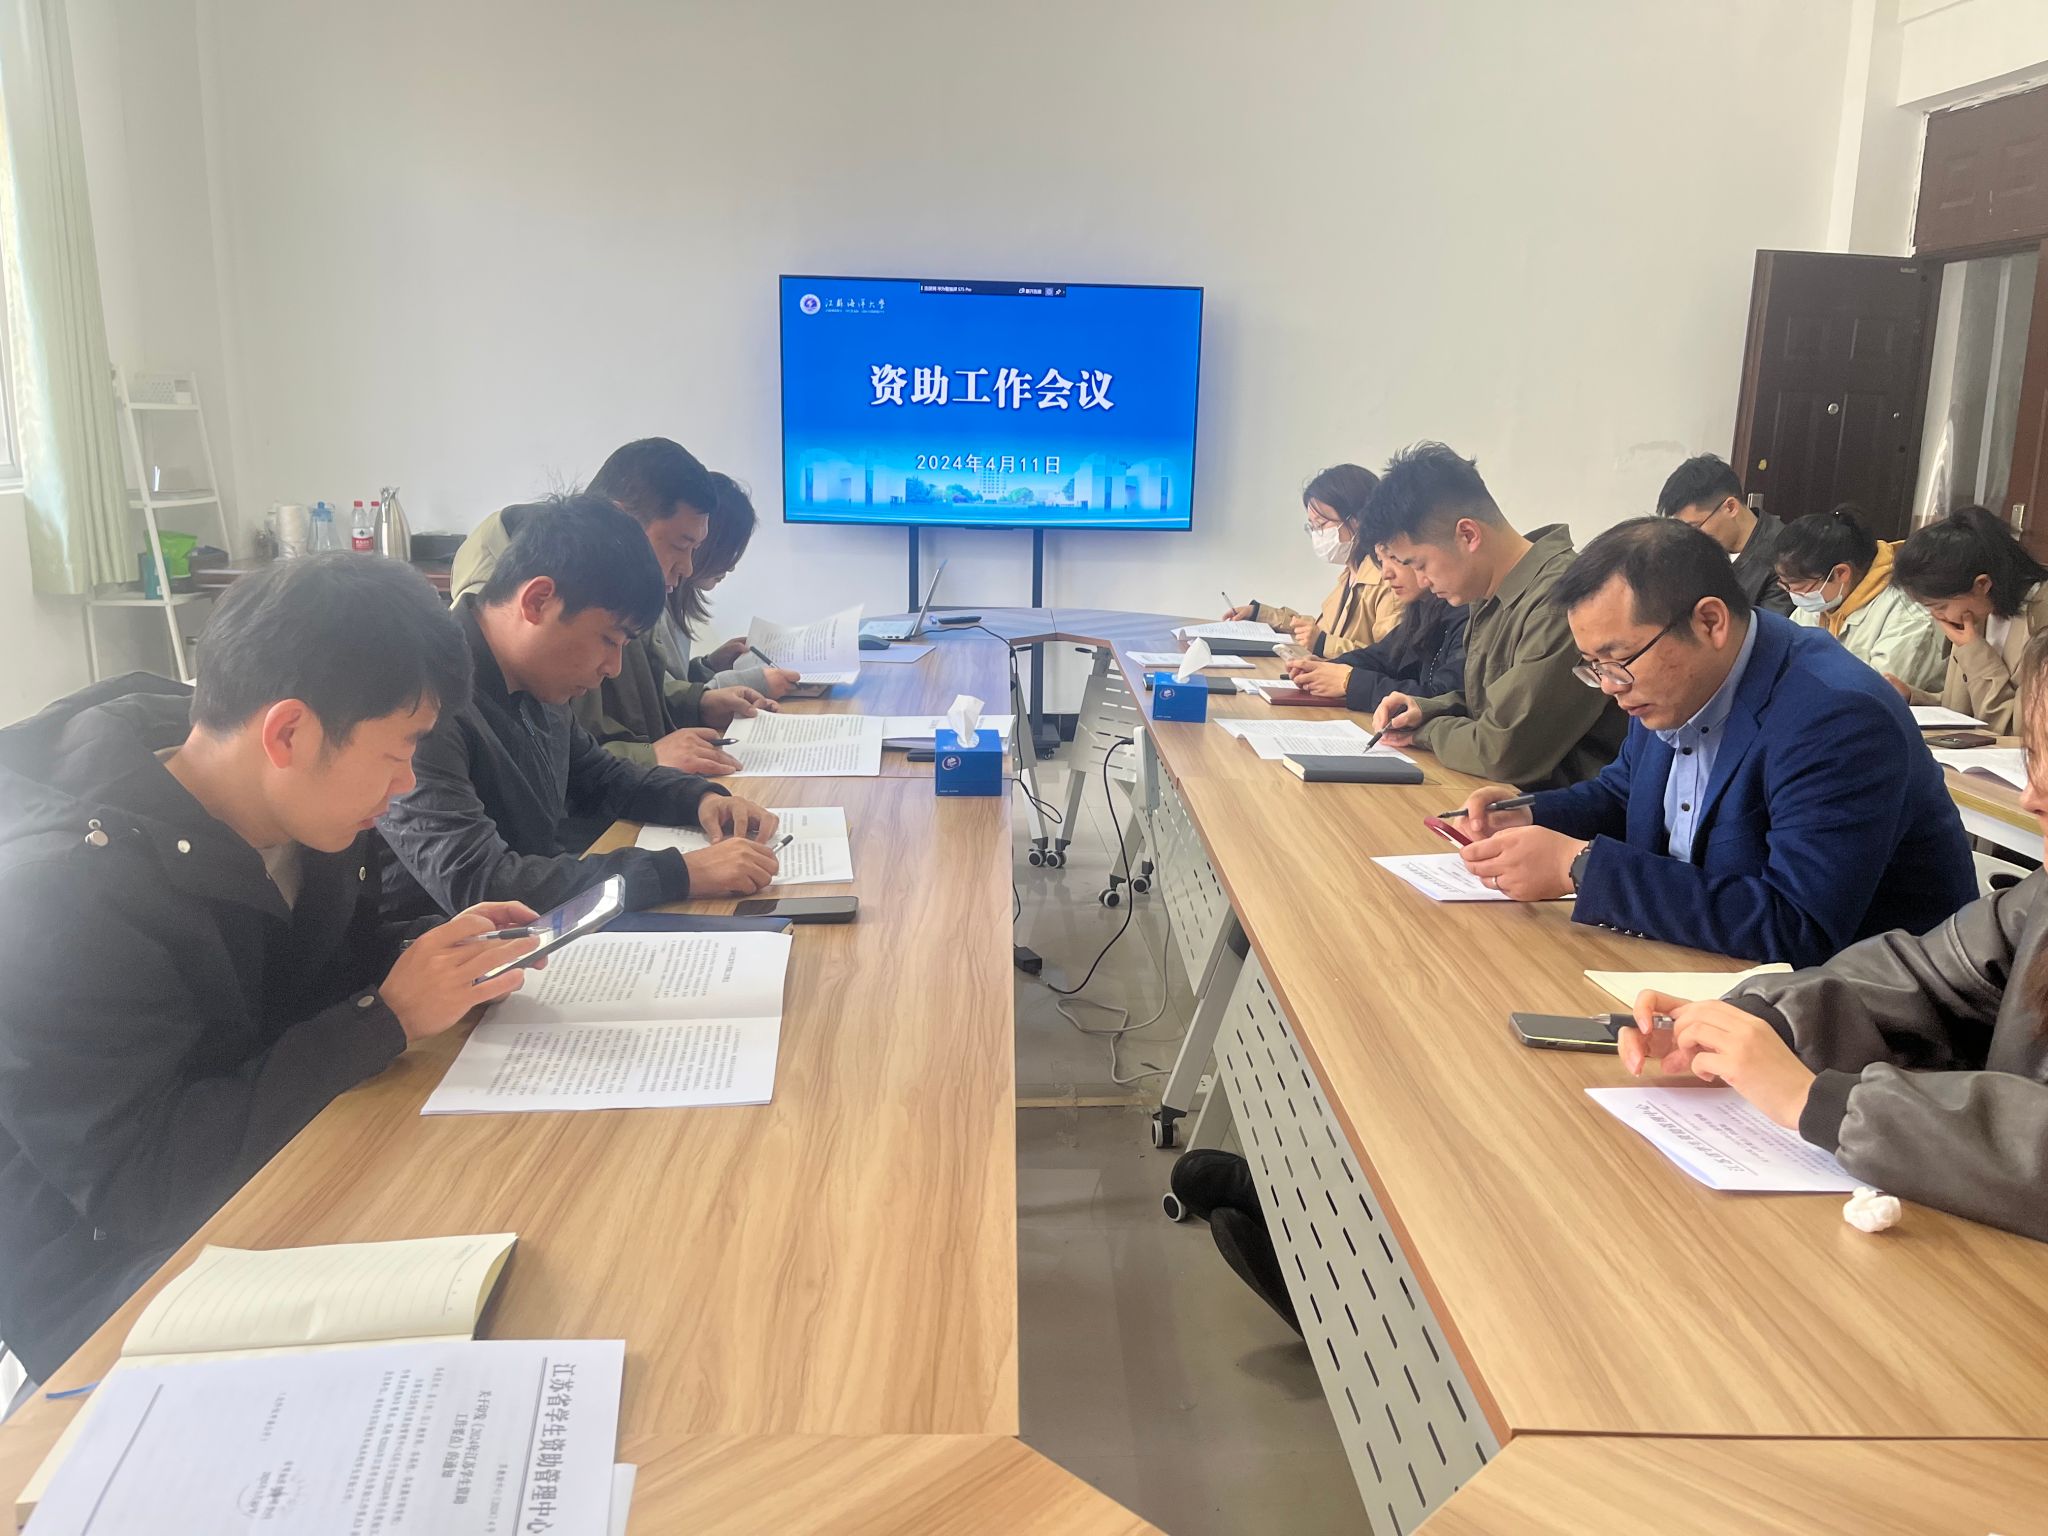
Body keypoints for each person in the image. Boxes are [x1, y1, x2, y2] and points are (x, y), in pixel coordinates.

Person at [0, 556, 550, 1383]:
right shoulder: (61, 894)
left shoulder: (305, 814)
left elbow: (321, 968)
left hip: (279, 1157)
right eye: (399, 751)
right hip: (115, 1279)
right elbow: (142, 1184)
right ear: (288, 733)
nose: (407, 784)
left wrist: (435, 955)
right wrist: (385, 1019)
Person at [1616, 625, 2048, 1245]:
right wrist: (1761, 1020)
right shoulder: (2039, 899)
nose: (2031, 796)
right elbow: (1926, 974)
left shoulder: (1836, 707)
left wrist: (1817, 1102)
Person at [1455, 519, 1976, 966]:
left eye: (1618, 660)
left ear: (1710, 621)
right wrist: (1528, 813)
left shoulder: (1836, 717)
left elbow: (1799, 927)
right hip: (1699, 964)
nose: (1610, 686)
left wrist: (1578, 867)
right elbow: (1623, 793)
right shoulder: (1667, 681)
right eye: (1595, 666)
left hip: (1861, 1013)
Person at [379, 495, 782, 923]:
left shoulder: (535, 681)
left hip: (543, 931)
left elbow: (601, 777)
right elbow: (482, 883)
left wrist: (699, 799)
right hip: (451, 946)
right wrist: (679, 873)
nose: (613, 667)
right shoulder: (421, 701)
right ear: (538, 601)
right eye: (609, 640)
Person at [451, 438, 786, 775]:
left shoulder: (616, 581)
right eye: (679, 545)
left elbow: (631, 698)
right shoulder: (520, 618)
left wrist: (698, 702)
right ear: (622, 518)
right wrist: (650, 757)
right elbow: (559, 761)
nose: (687, 569)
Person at [1362, 441, 1625, 787]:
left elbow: (1503, 752)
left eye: (1420, 564)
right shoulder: (1490, 596)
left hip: (1553, 807)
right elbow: (1489, 703)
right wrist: (1425, 708)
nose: (1422, 581)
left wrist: (1426, 730)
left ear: (1467, 534)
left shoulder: (1559, 600)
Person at [1892, 504, 2048, 733]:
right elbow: (1964, 710)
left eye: (1941, 606)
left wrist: (1974, 651)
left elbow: (2020, 730)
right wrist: (1911, 697)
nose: (1937, 616)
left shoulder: (2040, 621)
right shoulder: (1979, 610)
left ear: (1982, 584)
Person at [1221, 464, 1404, 654]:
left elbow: (1387, 659)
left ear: (1358, 520)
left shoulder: (1388, 580)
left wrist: (1322, 643)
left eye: (1321, 524)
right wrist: (1258, 613)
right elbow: (1319, 630)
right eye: (1313, 527)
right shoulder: (1350, 574)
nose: (1317, 534)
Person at [1774, 504, 1946, 694]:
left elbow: (1878, 692)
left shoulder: (1907, 611)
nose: (1793, 594)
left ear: (1841, 573)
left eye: (1798, 587)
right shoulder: (1821, 600)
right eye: (1785, 586)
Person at [1279, 543, 1469, 713]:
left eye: (1394, 557)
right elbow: (1381, 656)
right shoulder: (1421, 608)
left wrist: (1349, 681)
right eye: (1380, 560)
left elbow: (1445, 702)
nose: (1385, 574)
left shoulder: (1465, 614)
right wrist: (1327, 668)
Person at [1654, 453, 1793, 617]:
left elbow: (1768, 628)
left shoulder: (1785, 555)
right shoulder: (1701, 545)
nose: (1690, 537)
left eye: (1695, 526)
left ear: (1730, 507)